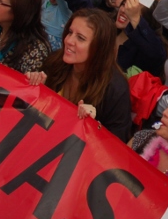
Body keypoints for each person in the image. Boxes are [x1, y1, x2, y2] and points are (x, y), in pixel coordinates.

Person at [27, 9, 132, 141]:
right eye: (70, 32)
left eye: (80, 38)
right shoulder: (55, 62)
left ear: (100, 48)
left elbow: (116, 147)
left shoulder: (116, 90)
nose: (69, 41)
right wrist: (35, 89)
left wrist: (94, 127)